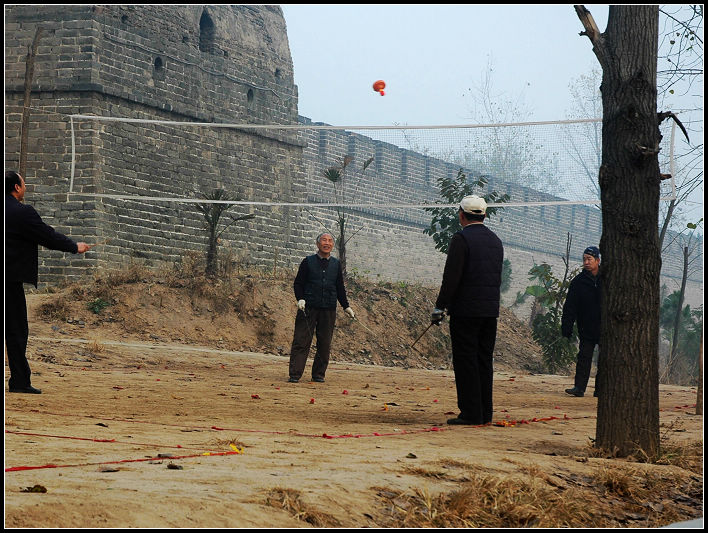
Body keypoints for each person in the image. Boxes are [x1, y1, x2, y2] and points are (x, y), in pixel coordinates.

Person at [5, 170, 89, 394]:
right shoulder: (22, 213)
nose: (25, 188)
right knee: (15, 332)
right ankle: (20, 381)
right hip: (9, 281)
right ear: (16, 188)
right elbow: (47, 237)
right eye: (24, 184)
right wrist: (74, 246)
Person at [433, 195, 504, 425]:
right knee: (484, 360)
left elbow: (451, 277)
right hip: (489, 311)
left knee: (466, 361)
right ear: (484, 215)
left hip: (465, 311)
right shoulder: (495, 241)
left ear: (461, 215)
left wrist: (440, 306)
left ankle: (471, 413)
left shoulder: (461, 240)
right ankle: (485, 412)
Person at [288, 232, 355, 383]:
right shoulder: (307, 262)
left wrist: (346, 306)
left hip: (328, 309)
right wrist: (300, 299)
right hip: (308, 308)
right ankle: (295, 374)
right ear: (318, 244)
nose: (327, 243)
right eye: (324, 240)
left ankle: (318, 374)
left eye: (330, 241)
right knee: (301, 340)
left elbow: (339, 287)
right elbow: (298, 283)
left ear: (332, 245)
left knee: (324, 343)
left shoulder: (336, 264)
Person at [561, 245, 601, 398]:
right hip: (586, 327)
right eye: (584, 259)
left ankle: (601, 389)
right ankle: (579, 387)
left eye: (589, 259)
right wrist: (567, 328)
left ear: (597, 260)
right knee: (584, 358)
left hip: (605, 328)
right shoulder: (578, 282)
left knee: (604, 361)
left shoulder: (608, 279)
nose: (586, 262)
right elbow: (570, 307)